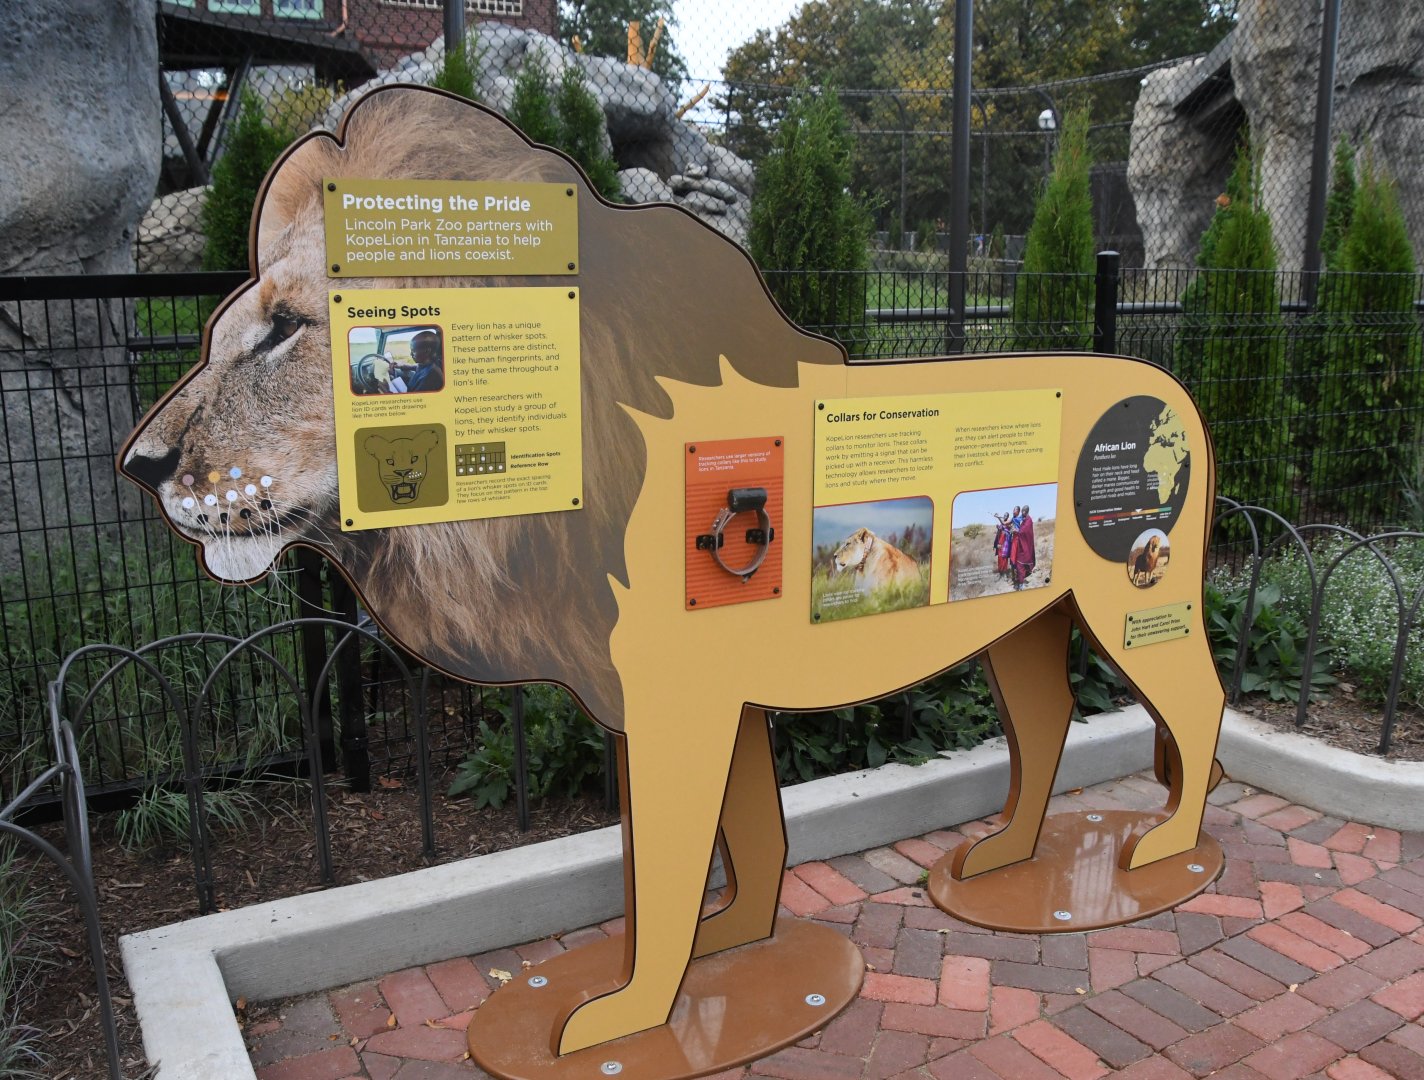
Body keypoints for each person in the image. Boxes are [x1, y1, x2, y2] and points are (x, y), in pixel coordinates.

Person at [1012, 504, 1036, 589]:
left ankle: (1021, 584)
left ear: (1026, 511)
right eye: (1022, 511)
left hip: (1026, 545)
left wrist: (1017, 531)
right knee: (1019, 565)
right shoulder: (1025, 518)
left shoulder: (1029, 520)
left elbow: (1024, 532)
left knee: (1021, 564)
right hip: (1022, 544)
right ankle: (1019, 581)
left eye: (1023, 511)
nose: (1022, 513)